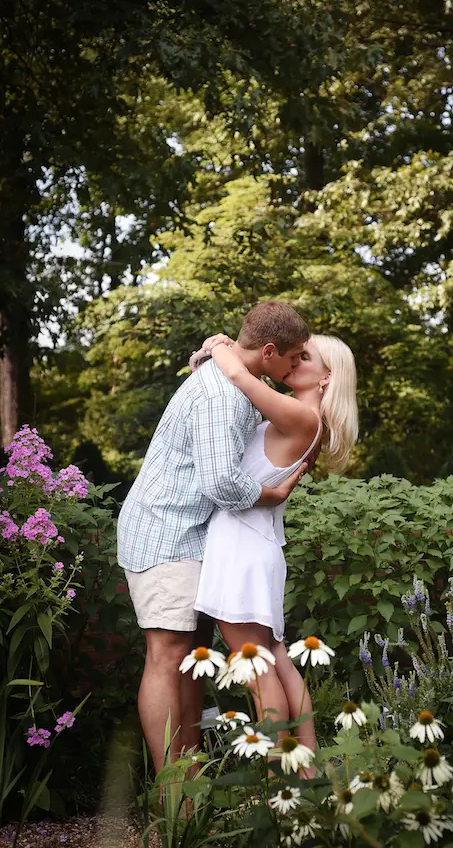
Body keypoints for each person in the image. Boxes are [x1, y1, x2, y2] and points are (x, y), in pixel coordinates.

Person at [116, 302, 310, 771]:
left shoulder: (240, 381)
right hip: (165, 532)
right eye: (294, 356)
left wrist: (215, 345)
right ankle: (173, 790)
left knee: (189, 659)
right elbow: (221, 481)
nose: (296, 365)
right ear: (268, 351)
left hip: (195, 536)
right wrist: (271, 494)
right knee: (168, 656)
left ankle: (191, 780)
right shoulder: (221, 395)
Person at [189, 332, 358, 772]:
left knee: (258, 672)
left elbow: (241, 377)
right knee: (277, 661)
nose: (293, 361)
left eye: (306, 357)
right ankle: (307, 769)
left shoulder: (302, 416)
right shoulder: (306, 419)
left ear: (327, 377)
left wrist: (221, 346)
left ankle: (278, 782)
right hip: (255, 542)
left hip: (241, 545)